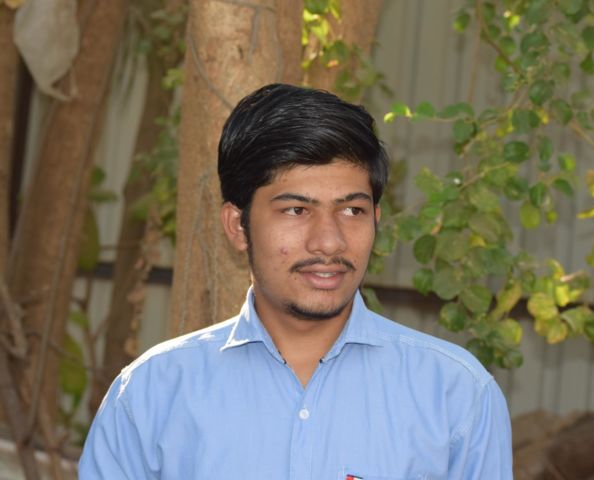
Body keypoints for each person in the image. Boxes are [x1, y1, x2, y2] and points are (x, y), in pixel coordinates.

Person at [79, 84, 512, 479]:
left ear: (376, 220)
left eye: (352, 211)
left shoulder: (455, 396)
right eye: (296, 210)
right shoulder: (152, 396)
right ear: (237, 225)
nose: (329, 241)